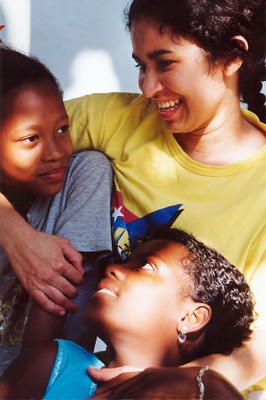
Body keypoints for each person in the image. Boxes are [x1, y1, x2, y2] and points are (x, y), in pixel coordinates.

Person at [0, 0, 265, 396]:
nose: (147, 86)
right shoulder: (119, 119)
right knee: (89, 164)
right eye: (141, 65)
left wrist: (151, 387)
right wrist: (15, 233)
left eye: (165, 63)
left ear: (231, 57)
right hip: (66, 367)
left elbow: (256, 349)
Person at [0, 228, 254, 400]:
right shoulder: (54, 362)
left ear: (191, 318)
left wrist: (207, 384)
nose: (112, 268)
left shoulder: (203, 392)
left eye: (145, 265)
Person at [0, 46, 113, 374]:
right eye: (31, 138)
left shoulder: (83, 174)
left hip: (42, 382)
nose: (56, 152)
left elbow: (42, 358)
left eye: (62, 129)